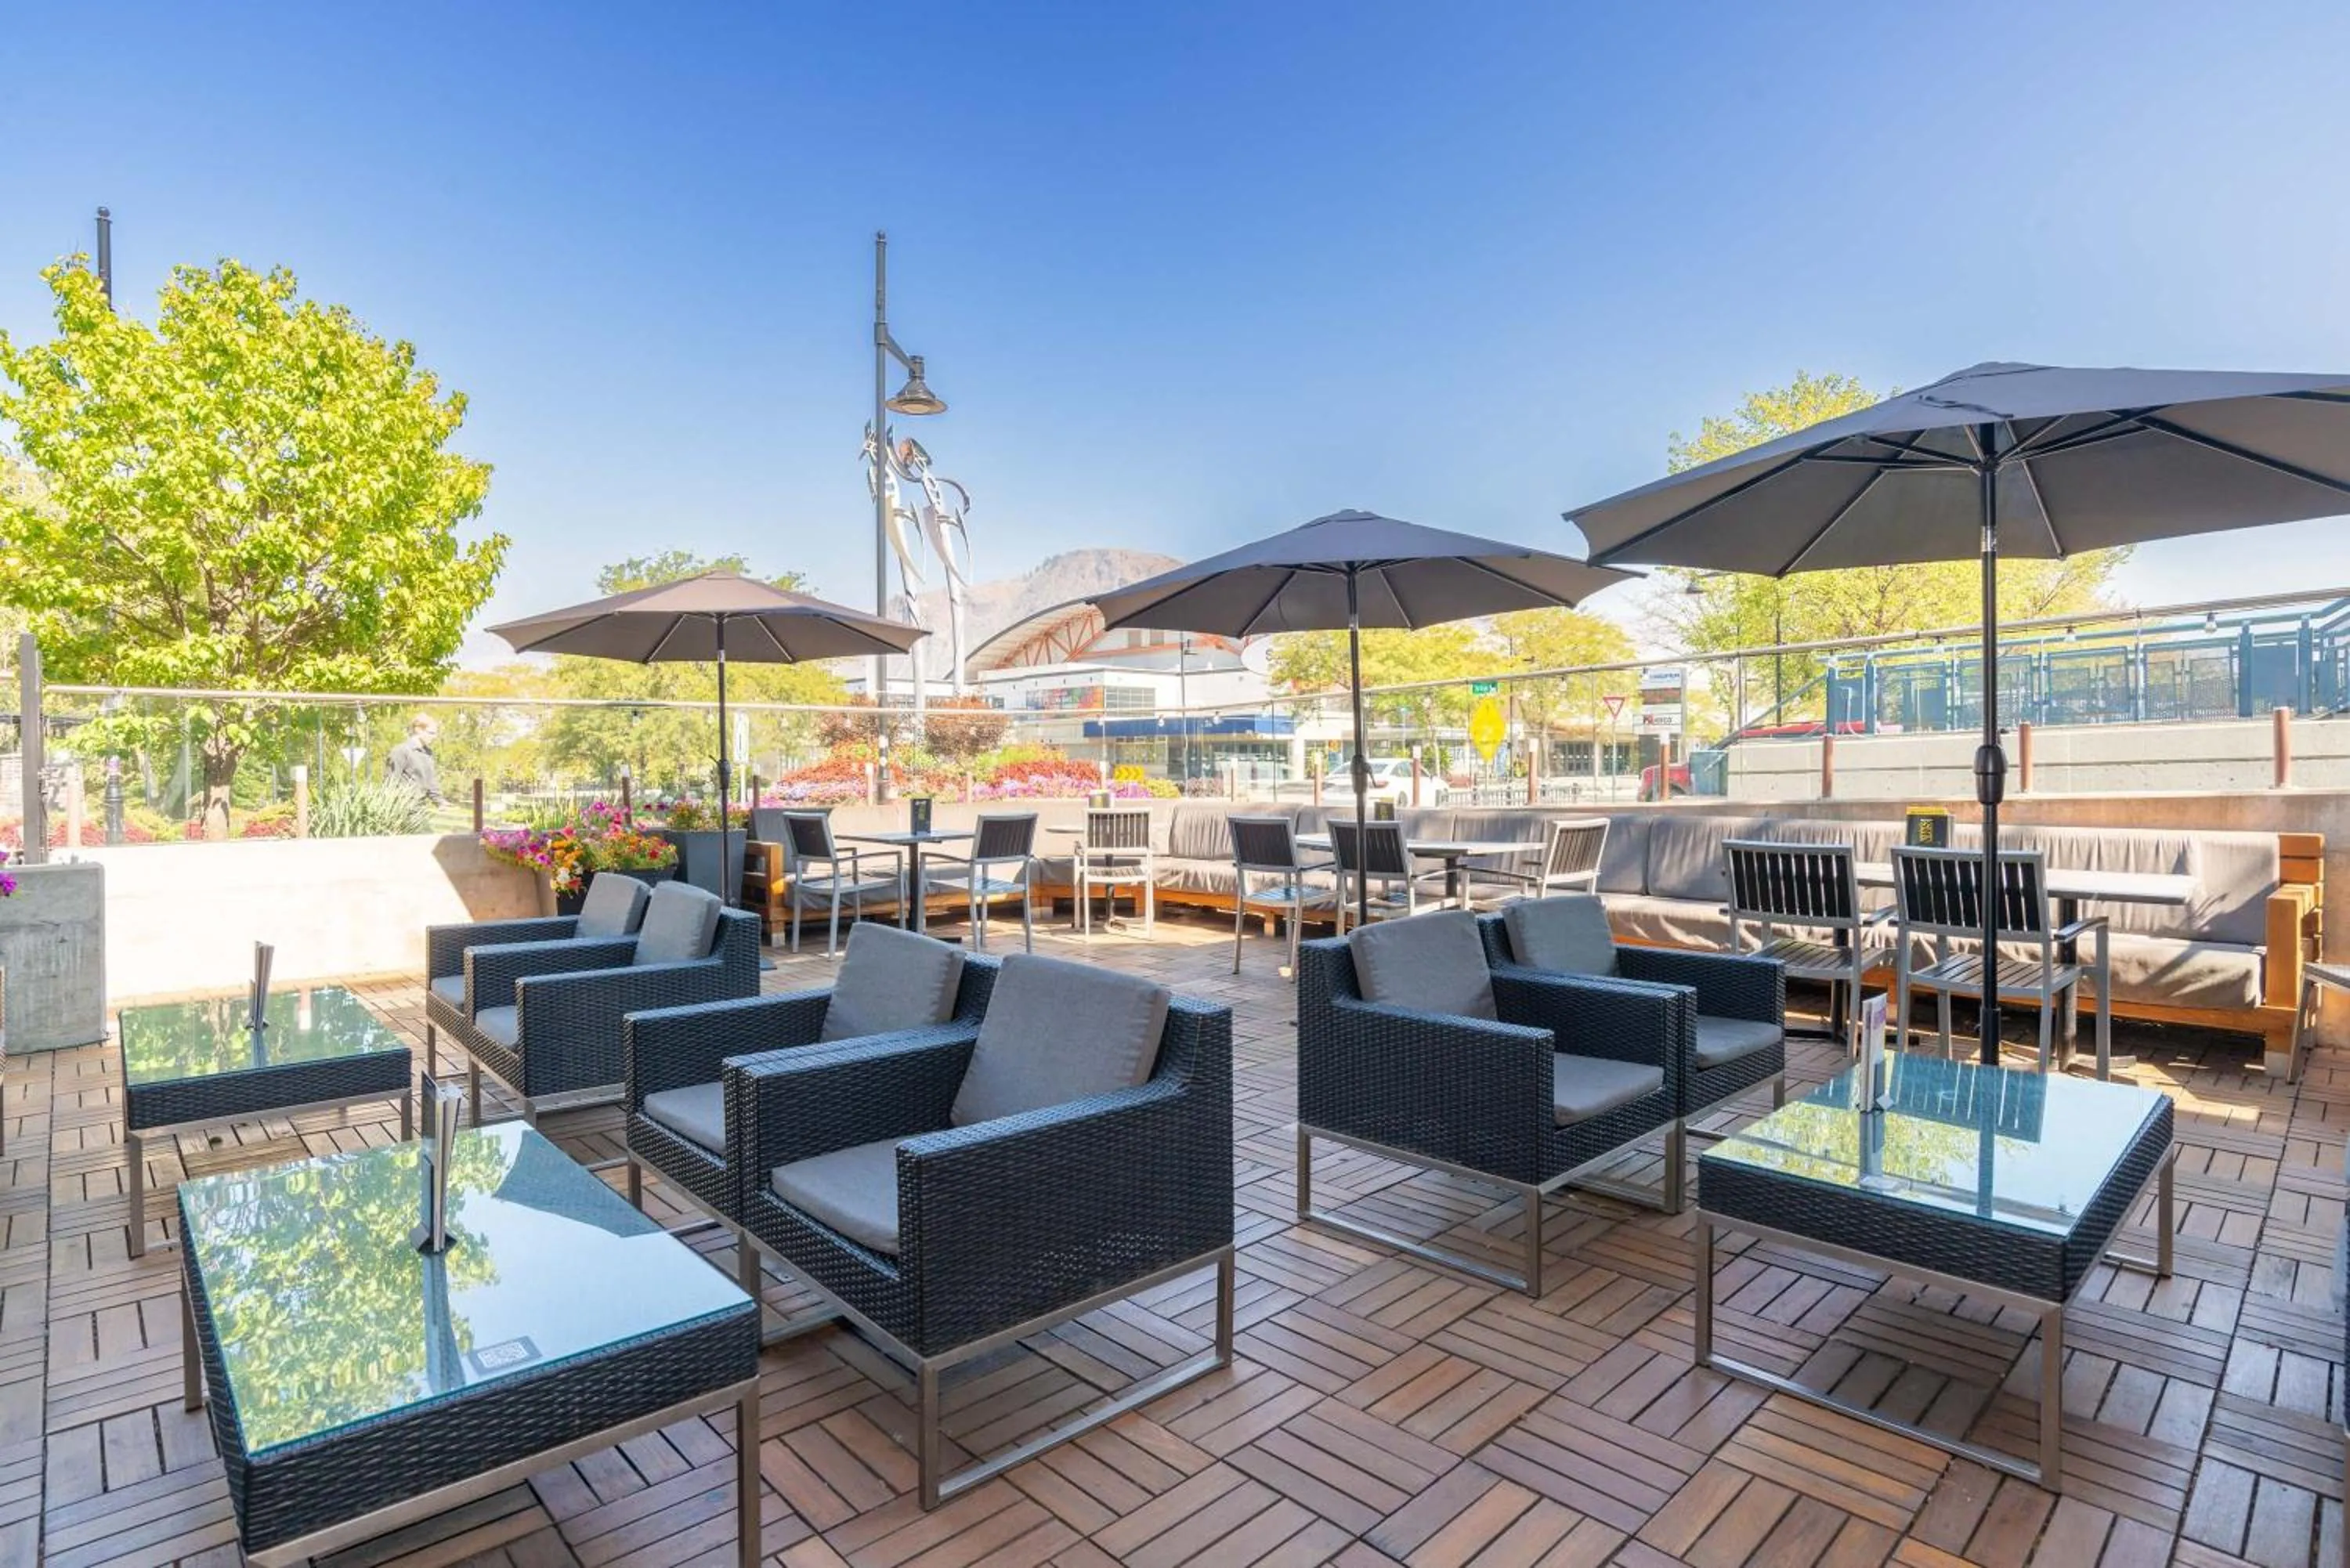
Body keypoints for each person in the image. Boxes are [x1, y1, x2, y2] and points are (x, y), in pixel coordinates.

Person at [385, 715, 445, 804]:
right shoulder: (401, 751)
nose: (434, 737)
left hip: (420, 807)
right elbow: (391, 781)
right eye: (431, 733)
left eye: (435, 734)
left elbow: (430, 780)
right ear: (418, 730)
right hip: (402, 806)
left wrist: (440, 802)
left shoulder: (427, 753)